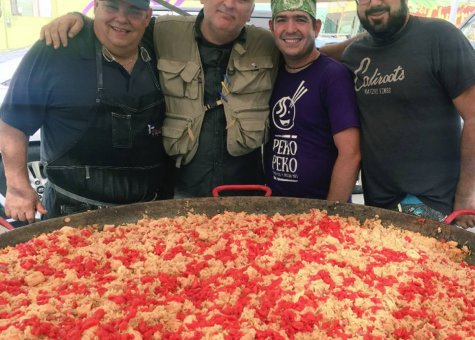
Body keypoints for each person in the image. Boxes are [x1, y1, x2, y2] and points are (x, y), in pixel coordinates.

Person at [42, 0, 280, 198]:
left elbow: (302, 55)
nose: (229, 4)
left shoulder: (269, 45)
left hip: (244, 197)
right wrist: (80, 20)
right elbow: (119, 28)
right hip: (175, 197)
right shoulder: (161, 32)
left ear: (251, 8)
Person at [0, 0, 169, 223]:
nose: (121, 18)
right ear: (96, 6)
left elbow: (212, 24)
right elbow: (13, 125)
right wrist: (18, 187)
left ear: (147, 17)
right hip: (72, 214)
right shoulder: (56, 49)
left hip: (147, 216)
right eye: (111, 7)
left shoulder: (159, 45)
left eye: (134, 11)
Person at [341, 0, 475, 228]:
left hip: (433, 203)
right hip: (377, 203)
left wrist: (465, 196)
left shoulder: (441, 37)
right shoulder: (355, 54)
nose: (374, 3)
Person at [266, 0, 361, 202]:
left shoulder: (333, 75)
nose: (290, 29)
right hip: (273, 209)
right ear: (272, 28)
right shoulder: (270, 72)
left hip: (319, 210)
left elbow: (350, 153)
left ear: (316, 28)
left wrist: (329, 215)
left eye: (300, 19)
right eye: (282, 20)